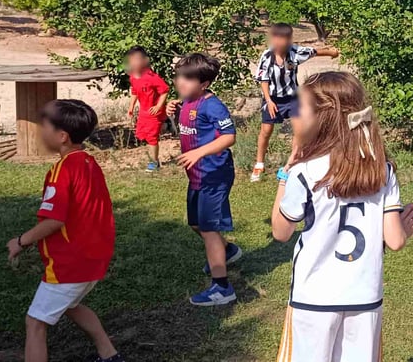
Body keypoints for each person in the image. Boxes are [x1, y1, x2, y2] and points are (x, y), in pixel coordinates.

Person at [271, 71, 410, 362]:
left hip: (313, 297)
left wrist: (286, 172)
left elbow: (281, 232)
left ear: (321, 118)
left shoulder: (304, 172)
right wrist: (405, 227)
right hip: (365, 297)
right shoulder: (382, 171)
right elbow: (395, 240)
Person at [6, 99, 121, 362]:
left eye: (43, 125)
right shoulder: (89, 163)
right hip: (94, 256)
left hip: (70, 263)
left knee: (35, 323)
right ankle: (109, 354)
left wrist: (20, 241)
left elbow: (53, 221)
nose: (39, 130)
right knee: (71, 305)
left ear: (62, 136)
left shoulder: (62, 170)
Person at [166, 53, 241, 306]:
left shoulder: (213, 105)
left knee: (209, 228)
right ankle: (227, 250)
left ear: (205, 84)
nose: (181, 82)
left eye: (188, 78)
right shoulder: (187, 101)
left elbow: (229, 136)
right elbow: (190, 125)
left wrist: (198, 152)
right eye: (179, 76)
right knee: (196, 224)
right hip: (197, 176)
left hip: (214, 174)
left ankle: (222, 288)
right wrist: (172, 111)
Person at [251, 23, 339, 182]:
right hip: (272, 98)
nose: (281, 43)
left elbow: (314, 52)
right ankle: (259, 164)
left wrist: (331, 52)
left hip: (292, 97)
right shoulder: (267, 56)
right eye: (278, 38)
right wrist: (269, 101)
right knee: (266, 131)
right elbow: (263, 80)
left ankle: (290, 166)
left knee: (299, 130)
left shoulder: (295, 52)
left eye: (285, 39)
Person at [125, 46, 170, 172]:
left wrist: (158, 106)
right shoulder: (133, 77)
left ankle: (154, 163)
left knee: (152, 137)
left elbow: (164, 91)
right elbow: (134, 91)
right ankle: (152, 159)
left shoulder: (152, 77)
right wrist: (131, 106)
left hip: (153, 112)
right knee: (143, 135)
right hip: (143, 111)